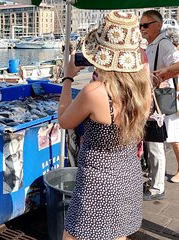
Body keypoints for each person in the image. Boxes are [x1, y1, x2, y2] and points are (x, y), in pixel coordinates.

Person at [58, 11, 151, 240]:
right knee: (117, 235)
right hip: (128, 178)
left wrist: (68, 78)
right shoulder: (143, 89)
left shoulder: (95, 92)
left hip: (96, 185)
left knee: (72, 236)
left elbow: (64, 120)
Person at [140, 10, 179, 199]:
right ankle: (154, 181)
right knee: (153, 142)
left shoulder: (164, 44)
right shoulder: (152, 44)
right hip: (151, 102)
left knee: (156, 143)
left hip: (158, 103)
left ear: (158, 25)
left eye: (145, 25)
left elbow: (178, 64)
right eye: (140, 26)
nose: (142, 29)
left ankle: (157, 188)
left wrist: (163, 76)